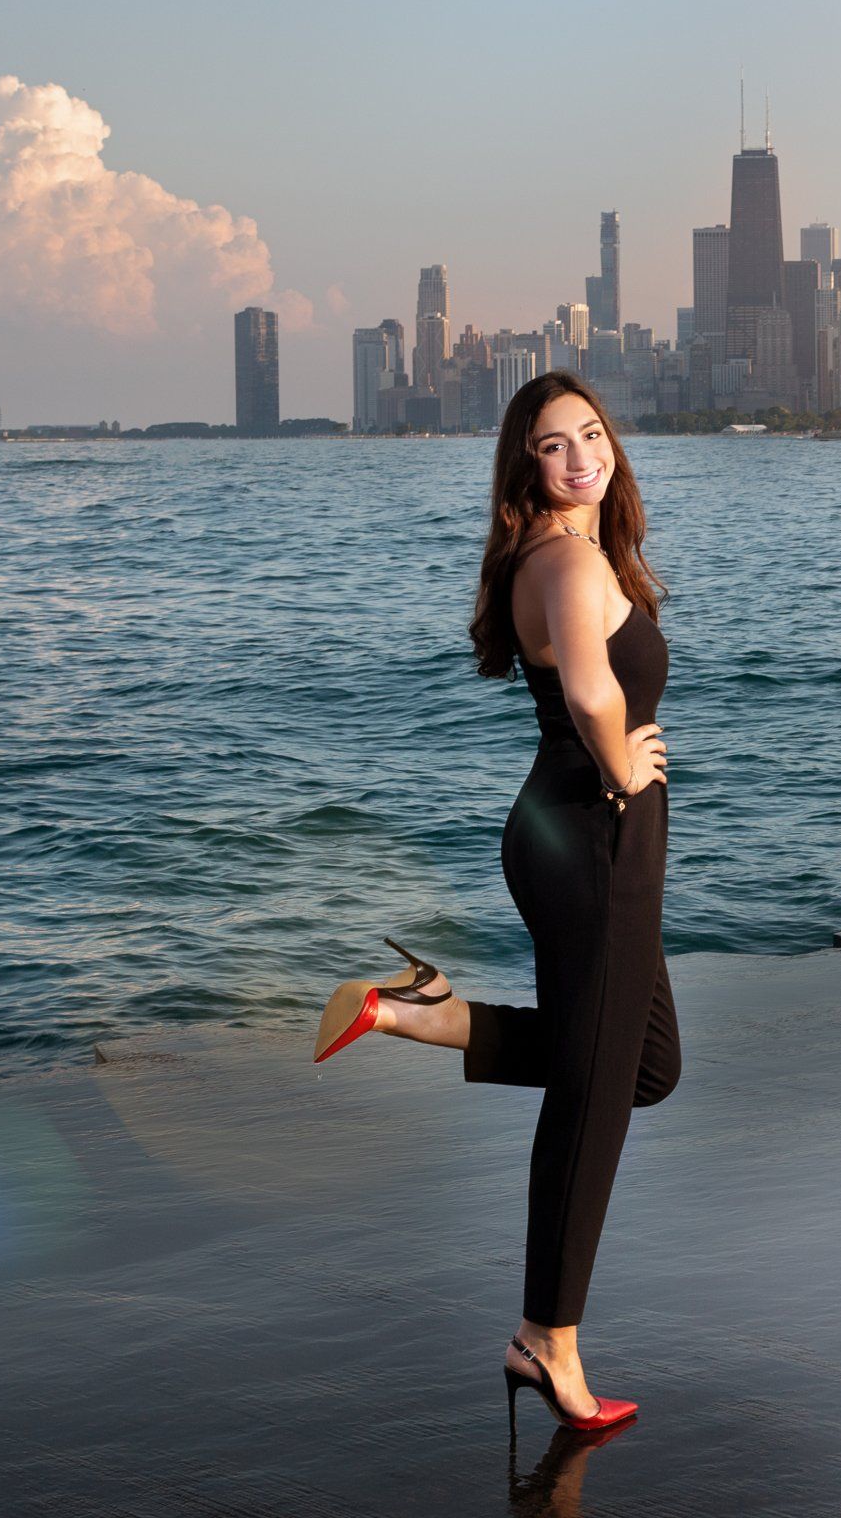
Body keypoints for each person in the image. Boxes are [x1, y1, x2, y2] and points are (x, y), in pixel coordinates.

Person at [311, 370, 678, 1435]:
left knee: (643, 1067)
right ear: (527, 469)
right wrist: (618, 766)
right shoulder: (563, 556)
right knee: (594, 1094)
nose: (580, 457)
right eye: (554, 446)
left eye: (592, 434)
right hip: (587, 837)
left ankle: (420, 1011)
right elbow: (588, 691)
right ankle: (545, 1339)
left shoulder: (585, 554)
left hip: (583, 834)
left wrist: (616, 773)